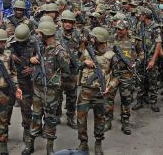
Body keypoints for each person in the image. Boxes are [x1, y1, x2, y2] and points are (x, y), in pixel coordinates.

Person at [23, 19, 70, 155]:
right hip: (37, 88)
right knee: (35, 116)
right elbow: (27, 56)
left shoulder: (59, 51)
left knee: (50, 118)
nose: (38, 35)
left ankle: (49, 146)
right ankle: (30, 144)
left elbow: (66, 68)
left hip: (51, 91)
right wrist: (31, 60)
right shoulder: (39, 46)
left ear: (47, 34)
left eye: (41, 33)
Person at [76, 27, 116, 155]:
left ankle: (98, 143)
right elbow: (76, 64)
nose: (91, 39)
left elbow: (117, 75)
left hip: (100, 93)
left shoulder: (111, 56)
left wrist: (110, 86)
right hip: (85, 91)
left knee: (100, 119)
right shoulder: (87, 52)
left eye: (94, 37)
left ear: (100, 39)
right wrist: (84, 62)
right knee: (81, 119)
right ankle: (83, 143)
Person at [104, 20, 142, 135]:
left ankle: (125, 121)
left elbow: (142, 53)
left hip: (127, 74)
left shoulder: (134, 41)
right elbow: (104, 52)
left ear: (126, 29)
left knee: (126, 99)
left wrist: (137, 62)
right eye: (117, 29)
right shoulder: (111, 39)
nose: (119, 31)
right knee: (109, 97)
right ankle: (108, 120)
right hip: (113, 74)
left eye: (121, 29)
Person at [8, 24, 35, 143]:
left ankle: (27, 129)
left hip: (26, 79)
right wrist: (10, 55)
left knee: (26, 105)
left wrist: (33, 69)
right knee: (6, 106)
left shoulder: (35, 43)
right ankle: (3, 131)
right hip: (11, 78)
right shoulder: (10, 43)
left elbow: (45, 59)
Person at [132, 7, 162, 112]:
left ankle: (153, 102)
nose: (138, 16)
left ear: (145, 16)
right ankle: (140, 100)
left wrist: (153, 60)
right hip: (141, 57)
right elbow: (136, 40)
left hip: (150, 57)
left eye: (140, 15)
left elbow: (158, 44)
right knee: (140, 80)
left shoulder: (155, 27)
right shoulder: (140, 25)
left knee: (152, 80)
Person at [55, 10, 81, 129]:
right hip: (59, 71)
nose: (68, 24)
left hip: (72, 70)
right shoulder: (56, 34)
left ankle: (70, 117)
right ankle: (57, 115)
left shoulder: (78, 34)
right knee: (57, 96)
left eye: (70, 22)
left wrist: (80, 61)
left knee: (72, 96)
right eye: (66, 22)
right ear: (62, 22)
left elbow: (84, 49)